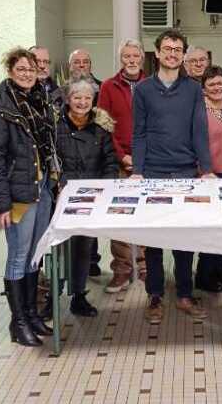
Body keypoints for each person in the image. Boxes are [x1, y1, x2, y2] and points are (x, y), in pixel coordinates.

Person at [132, 29, 214, 324]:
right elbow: (138, 133)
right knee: (153, 240)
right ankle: (155, 296)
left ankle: (184, 294)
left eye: (177, 49)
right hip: (153, 172)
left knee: (184, 238)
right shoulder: (142, 90)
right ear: (157, 52)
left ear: (183, 54)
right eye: (167, 48)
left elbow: (199, 130)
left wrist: (206, 169)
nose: (172, 53)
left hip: (185, 172)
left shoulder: (193, 89)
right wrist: (138, 171)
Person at [0, 48, 57, 347]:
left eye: (32, 68)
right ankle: (19, 322)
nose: (28, 73)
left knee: (34, 256)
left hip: (43, 190)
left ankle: (32, 314)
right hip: (19, 196)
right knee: (18, 257)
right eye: (21, 68)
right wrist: (1, 204)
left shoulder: (42, 103)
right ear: (10, 71)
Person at [56, 80, 118, 317]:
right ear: (68, 99)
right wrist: (58, 185)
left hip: (91, 199)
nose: (82, 102)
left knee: (84, 247)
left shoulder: (100, 129)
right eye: (77, 97)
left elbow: (110, 162)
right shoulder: (55, 127)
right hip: (62, 197)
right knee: (58, 248)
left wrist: (106, 189)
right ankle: (53, 294)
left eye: (87, 98)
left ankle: (78, 296)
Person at [98, 39, 148, 294]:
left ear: (141, 58)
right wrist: (122, 157)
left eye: (135, 56)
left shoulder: (153, 85)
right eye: (126, 56)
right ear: (121, 59)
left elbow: (159, 125)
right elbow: (105, 126)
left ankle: (146, 267)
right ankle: (121, 270)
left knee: (148, 217)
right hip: (120, 162)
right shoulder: (108, 87)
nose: (131, 60)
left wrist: (143, 157)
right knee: (120, 216)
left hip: (148, 162)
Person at [194, 66, 222, 293]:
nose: (216, 88)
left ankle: (220, 269)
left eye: (220, 83)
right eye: (211, 84)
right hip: (209, 174)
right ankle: (203, 275)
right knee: (210, 228)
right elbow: (193, 142)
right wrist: (203, 170)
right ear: (203, 88)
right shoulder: (199, 110)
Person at [65, 48, 104, 275]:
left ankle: (91, 260)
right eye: (76, 62)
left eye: (85, 61)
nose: (81, 65)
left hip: (93, 168)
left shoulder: (101, 88)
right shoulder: (60, 97)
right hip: (69, 175)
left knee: (91, 222)